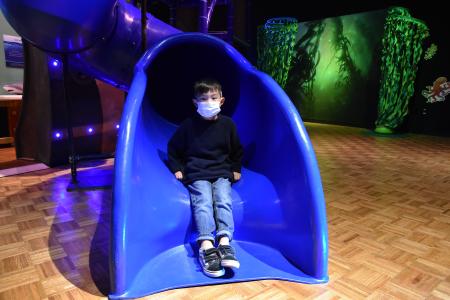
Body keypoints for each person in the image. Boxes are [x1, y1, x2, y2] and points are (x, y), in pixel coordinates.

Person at [167, 78, 243, 277]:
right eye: (203, 98)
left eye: (213, 97)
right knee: (203, 202)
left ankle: (225, 243)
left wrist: (236, 168)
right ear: (195, 102)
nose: (209, 102)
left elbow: (237, 150)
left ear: (221, 100)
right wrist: (177, 168)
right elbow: (173, 149)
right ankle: (206, 245)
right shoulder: (188, 125)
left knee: (223, 200)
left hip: (221, 172)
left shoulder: (227, 125)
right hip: (198, 172)